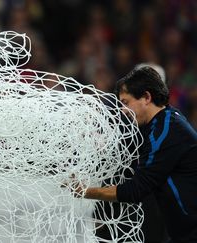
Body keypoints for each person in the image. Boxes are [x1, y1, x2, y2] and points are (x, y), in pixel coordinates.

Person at [73, 66, 197, 242]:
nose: (123, 110)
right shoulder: (162, 122)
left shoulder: (164, 133)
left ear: (146, 97)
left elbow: (135, 190)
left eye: (125, 102)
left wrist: (86, 191)